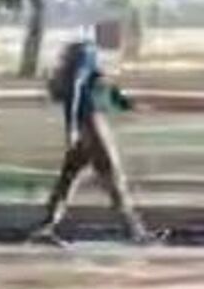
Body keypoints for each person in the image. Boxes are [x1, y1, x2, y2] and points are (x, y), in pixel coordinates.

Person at [29, 40, 160, 246]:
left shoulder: (87, 65)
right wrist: (72, 128)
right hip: (92, 126)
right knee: (113, 177)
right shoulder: (84, 61)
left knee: (69, 178)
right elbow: (76, 92)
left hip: (87, 126)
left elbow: (107, 88)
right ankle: (136, 233)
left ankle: (45, 228)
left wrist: (128, 105)